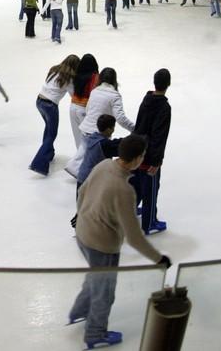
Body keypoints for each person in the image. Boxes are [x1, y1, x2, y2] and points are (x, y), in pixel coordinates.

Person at [69, 135, 171, 348]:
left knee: (95, 276)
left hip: (83, 234)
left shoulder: (104, 164)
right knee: (104, 293)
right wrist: (158, 258)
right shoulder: (124, 191)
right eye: (142, 156)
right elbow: (134, 237)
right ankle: (95, 335)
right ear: (136, 159)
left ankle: (79, 311)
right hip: (102, 245)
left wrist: (84, 216)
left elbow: (82, 192)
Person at [130, 69, 172, 235]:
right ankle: (149, 223)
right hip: (149, 157)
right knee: (151, 190)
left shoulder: (146, 99)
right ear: (168, 84)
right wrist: (156, 161)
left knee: (137, 185)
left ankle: (132, 208)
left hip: (136, 152)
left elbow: (139, 125)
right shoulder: (164, 107)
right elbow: (159, 136)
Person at [29, 54, 80, 176]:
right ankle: (39, 164)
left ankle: (49, 153)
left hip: (39, 101)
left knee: (48, 129)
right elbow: (73, 95)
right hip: (50, 105)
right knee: (52, 134)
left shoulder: (54, 70)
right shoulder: (68, 77)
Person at [70, 114, 121, 227]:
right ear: (108, 129)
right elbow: (119, 148)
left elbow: (114, 143)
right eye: (113, 127)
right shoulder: (104, 144)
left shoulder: (92, 138)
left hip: (82, 177)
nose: (113, 130)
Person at [67, 54, 100, 154]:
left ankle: (78, 162)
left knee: (78, 137)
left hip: (73, 107)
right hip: (84, 108)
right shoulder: (95, 77)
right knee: (88, 138)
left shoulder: (76, 75)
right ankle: (86, 162)